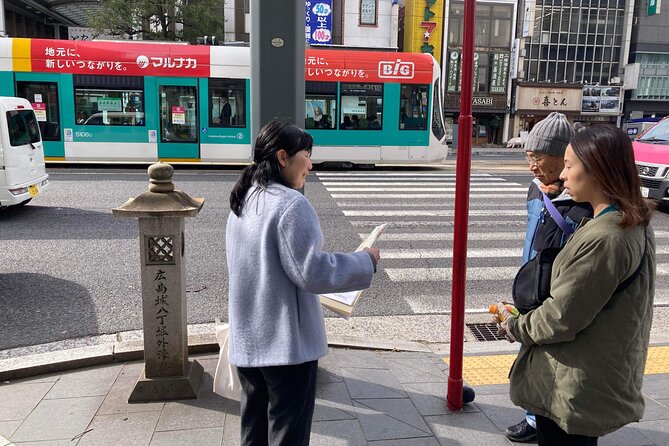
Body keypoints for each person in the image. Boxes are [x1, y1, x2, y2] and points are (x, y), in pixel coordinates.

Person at [496, 125, 655, 446]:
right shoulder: (627, 220)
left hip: (573, 382)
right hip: (592, 373)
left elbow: (561, 318)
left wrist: (515, 326)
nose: (564, 175)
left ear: (597, 170)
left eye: (569, 165)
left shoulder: (605, 237)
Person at [226, 120, 381, 446]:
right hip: (285, 348)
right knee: (288, 434)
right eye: (305, 155)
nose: (310, 164)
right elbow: (310, 271)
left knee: (253, 429)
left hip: (248, 342)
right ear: (283, 157)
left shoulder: (245, 198)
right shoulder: (291, 204)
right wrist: (366, 260)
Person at [505, 112, 593, 443]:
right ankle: (534, 417)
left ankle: (542, 418)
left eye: (537, 157)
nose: (532, 165)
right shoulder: (535, 189)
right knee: (531, 356)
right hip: (533, 281)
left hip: (558, 291)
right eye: (529, 156)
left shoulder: (583, 199)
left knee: (551, 359)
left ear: (564, 156)